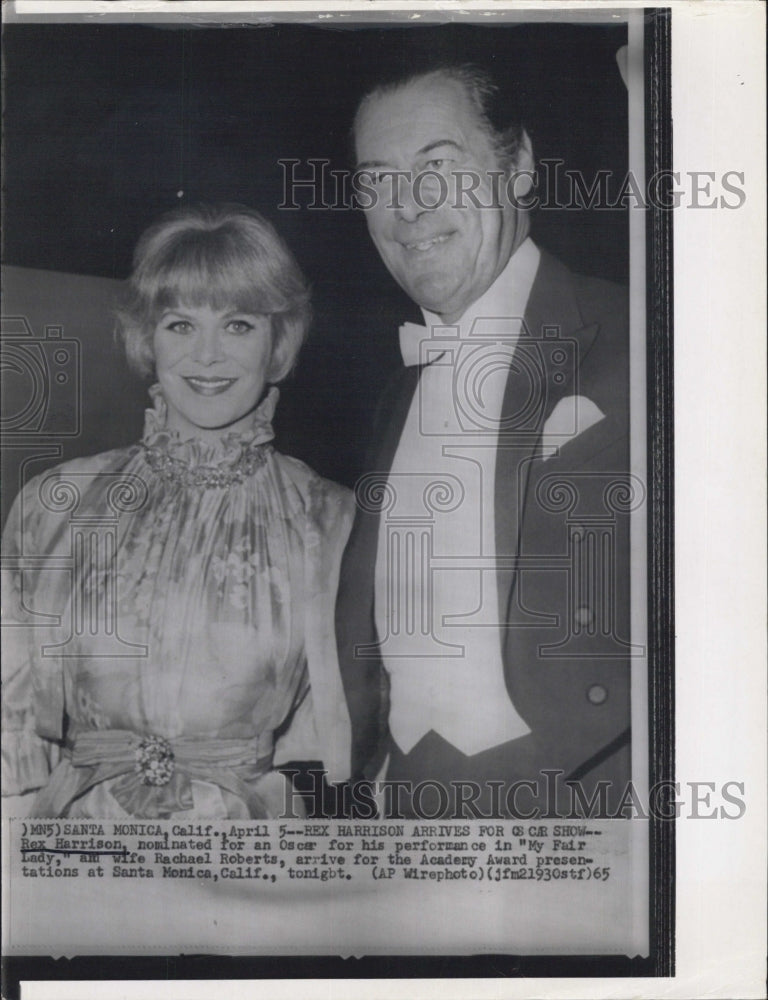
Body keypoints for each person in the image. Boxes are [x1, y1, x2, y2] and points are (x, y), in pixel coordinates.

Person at [336, 65, 635, 818]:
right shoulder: (394, 395)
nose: (407, 207)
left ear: (520, 165)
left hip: (594, 810)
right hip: (403, 814)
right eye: (378, 180)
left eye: (437, 166)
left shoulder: (650, 338)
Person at [1, 203, 353, 819]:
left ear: (277, 342)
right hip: (77, 843)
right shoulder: (55, 504)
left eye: (238, 325)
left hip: (244, 850)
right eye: (181, 324)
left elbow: (344, 745)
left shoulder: (328, 518)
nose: (207, 355)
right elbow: (14, 733)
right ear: (148, 337)